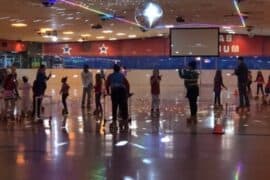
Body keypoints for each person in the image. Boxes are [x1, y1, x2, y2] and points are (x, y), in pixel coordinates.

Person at [106, 64, 130, 132]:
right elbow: (127, 84)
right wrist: (127, 93)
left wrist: (108, 92)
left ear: (113, 69)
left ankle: (114, 122)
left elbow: (107, 84)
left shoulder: (110, 76)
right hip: (122, 91)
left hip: (114, 92)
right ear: (119, 69)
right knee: (123, 107)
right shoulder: (121, 75)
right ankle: (125, 122)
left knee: (114, 106)